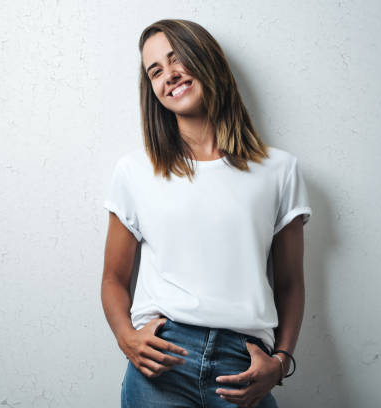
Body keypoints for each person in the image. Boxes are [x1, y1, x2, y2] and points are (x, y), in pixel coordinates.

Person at [101, 19, 312, 408]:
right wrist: (127, 338)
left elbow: (289, 283)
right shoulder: (134, 171)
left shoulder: (280, 171)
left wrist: (280, 363)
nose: (170, 75)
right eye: (156, 71)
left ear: (205, 58)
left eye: (176, 58)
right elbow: (114, 277)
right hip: (162, 364)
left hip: (244, 368)